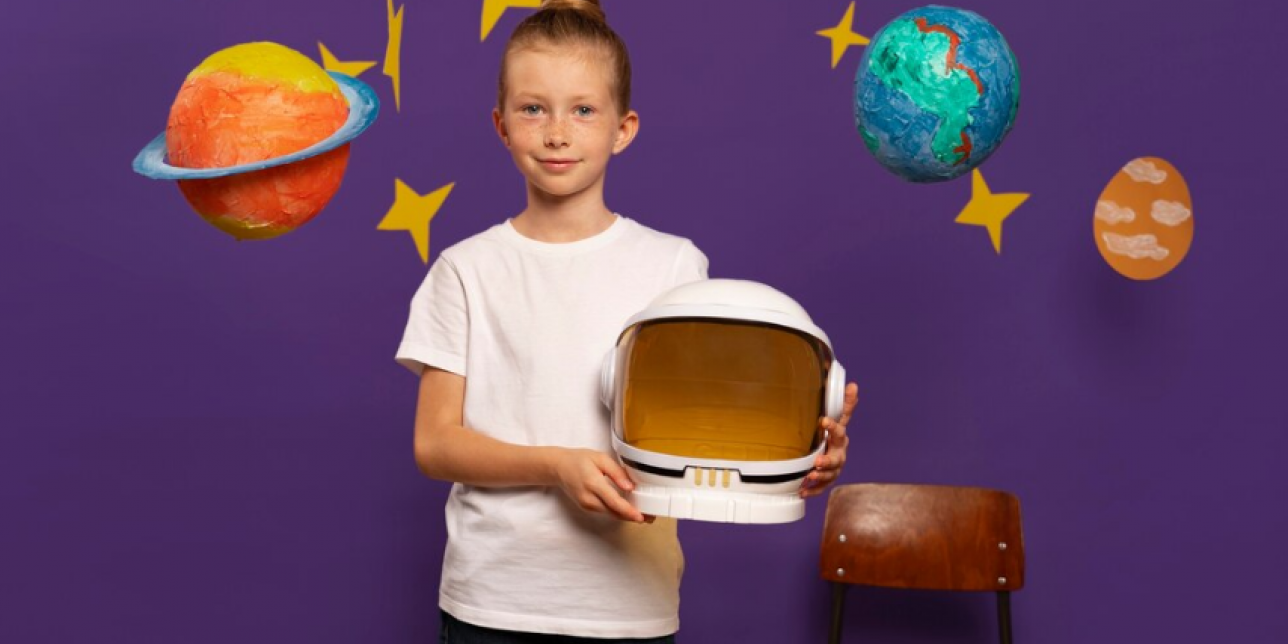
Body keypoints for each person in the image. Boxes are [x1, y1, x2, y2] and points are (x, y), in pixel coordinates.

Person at [395, 1, 858, 641]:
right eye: (534, 108)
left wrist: (803, 454)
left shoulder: (672, 267)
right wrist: (558, 465)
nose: (558, 132)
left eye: (583, 110)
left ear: (624, 127)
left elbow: (709, 429)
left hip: (627, 607)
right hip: (493, 603)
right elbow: (436, 443)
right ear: (501, 126)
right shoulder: (466, 269)